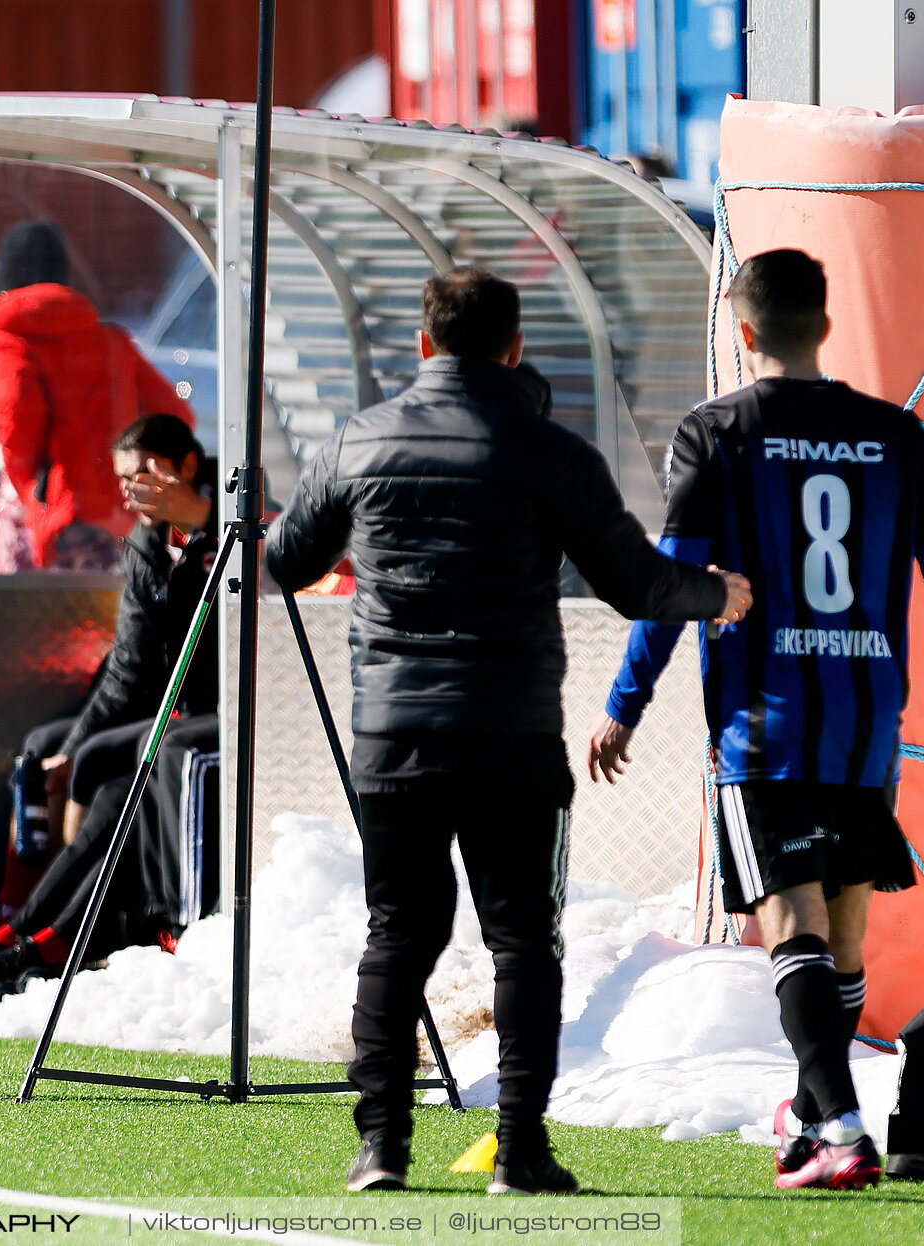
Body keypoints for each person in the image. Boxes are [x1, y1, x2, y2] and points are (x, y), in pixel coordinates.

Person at [264, 268, 749, 1195]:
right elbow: (636, 583)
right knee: (523, 937)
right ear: (515, 347)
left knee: (398, 933)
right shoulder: (550, 453)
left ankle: (381, 1148)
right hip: (513, 732)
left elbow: (287, 562)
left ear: (422, 345)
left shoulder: (360, 442)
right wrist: (716, 595)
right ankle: (520, 1151)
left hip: (394, 732)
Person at [586, 248, 924, 1192]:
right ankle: (810, 1117)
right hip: (865, 719)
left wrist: (624, 704)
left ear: (744, 330)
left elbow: (677, 578)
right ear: (827, 326)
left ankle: (841, 1126)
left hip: (764, 722)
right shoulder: (895, 432)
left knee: (789, 922)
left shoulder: (716, 432)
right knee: (842, 940)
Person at [0, 414, 219, 977]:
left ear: (186, 466)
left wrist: (202, 521)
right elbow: (128, 667)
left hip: (217, 714)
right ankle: (21, 921)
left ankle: (75, 934)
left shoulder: (238, 522)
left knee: (102, 761)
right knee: (45, 747)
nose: (135, 487)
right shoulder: (147, 543)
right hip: (165, 707)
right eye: (126, 477)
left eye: (148, 471)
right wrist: (72, 745)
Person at [0, 219, 193, 572]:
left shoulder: (1, 341)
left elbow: (17, 418)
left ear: (5, 275)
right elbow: (175, 418)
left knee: (22, 621)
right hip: (114, 513)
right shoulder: (112, 341)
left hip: (44, 511)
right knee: (102, 620)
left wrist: (26, 493)